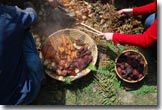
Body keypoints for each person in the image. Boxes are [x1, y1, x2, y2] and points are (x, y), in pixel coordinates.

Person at [0, 1, 45, 104]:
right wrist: (27, 4)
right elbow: (32, 15)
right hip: (20, 97)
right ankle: (40, 77)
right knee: (24, 32)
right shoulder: (8, 16)